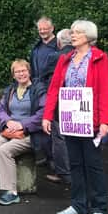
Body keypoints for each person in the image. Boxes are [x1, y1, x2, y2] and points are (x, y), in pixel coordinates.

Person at [42, 20, 108, 214]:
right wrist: (47, 115)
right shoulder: (66, 59)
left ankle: (99, 207)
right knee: (75, 164)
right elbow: (54, 88)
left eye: (78, 32)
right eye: (72, 32)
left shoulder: (99, 58)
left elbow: (104, 92)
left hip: (91, 120)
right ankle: (79, 205)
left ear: (89, 36)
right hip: (70, 119)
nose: (73, 35)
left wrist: (105, 121)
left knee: (93, 164)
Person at [0, 59, 47, 205]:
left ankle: (11, 192)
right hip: (10, 130)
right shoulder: (10, 90)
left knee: (4, 150)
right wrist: (8, 122)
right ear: (13, 75)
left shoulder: (38, 90)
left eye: (23, 70)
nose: (21, 74)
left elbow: (43, 113)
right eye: (17, 72)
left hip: (30, 133)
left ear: (29, 71)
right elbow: (1, 110)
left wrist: (22, 124)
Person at [44, 29, 73, 184]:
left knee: (59, 138)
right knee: (73, 138)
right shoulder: (80, 56)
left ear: (60, 42)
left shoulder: (56, 57)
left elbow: (47, 79)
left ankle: (63, 173)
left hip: (59, 103)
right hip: (77, 103)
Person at [29, 16, 58, 84]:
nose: (42, 31)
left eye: (45, 29)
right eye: (40, 29)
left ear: (52, 28)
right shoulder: (35, 48)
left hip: (53, 86)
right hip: (37, 87)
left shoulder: (60, 46)